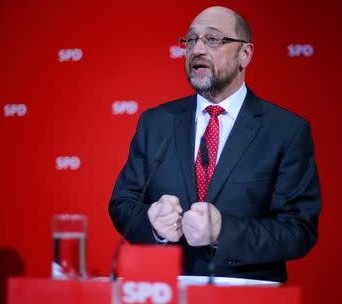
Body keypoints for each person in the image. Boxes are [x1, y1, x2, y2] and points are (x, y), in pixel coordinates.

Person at [109, 6, 321, 283]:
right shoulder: (156, 122)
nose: (197, 49)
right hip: (167, 288)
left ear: (244, 54)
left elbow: (298, 229)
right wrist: (152, 224)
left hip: (246, 293)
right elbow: (123, 202)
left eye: (212, 39)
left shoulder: (286, 131)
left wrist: (224, 232)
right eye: (191, 40)